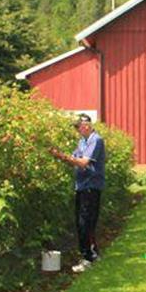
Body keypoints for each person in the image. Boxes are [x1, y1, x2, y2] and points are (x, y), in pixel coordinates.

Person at [49, 113, 105, 273]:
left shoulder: (96, 140)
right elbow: (74, 157)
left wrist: (61, 156)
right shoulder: (82, 141)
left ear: (86, 125)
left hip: (90, 186)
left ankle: (87, 257)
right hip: (82, 186)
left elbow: (82, 162)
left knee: (85, 222)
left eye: (77, 126)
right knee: (84, 221)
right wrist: (64, 157)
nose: (76, 130)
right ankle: (92, 254)